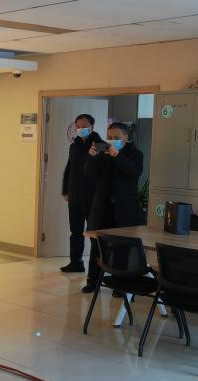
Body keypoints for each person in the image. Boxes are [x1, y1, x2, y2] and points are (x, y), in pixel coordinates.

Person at [82, 122, 144, 293]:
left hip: (124, 210)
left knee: (122, 248)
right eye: (109, 137)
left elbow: (133, 172)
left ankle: (119, 284)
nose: (112, 140)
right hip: (103, 208)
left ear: (125, 137)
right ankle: (93, 281)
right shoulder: (103, 153)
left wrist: (118, 156)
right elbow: (88, 173)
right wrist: (92, 157)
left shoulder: (135, 154)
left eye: (116, 137)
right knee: (97, 246)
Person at [61, 114, 101, 273]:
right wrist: (65, 190)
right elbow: (69, 168)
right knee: (75, 231)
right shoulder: (74, 145)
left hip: (92, 196)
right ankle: (76, 262)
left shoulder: (100, 145)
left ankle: (95, 270)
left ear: (92, 127)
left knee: (94, 234)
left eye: (84, 126)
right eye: (78, 126)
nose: (80, 129)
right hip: (74, 195)